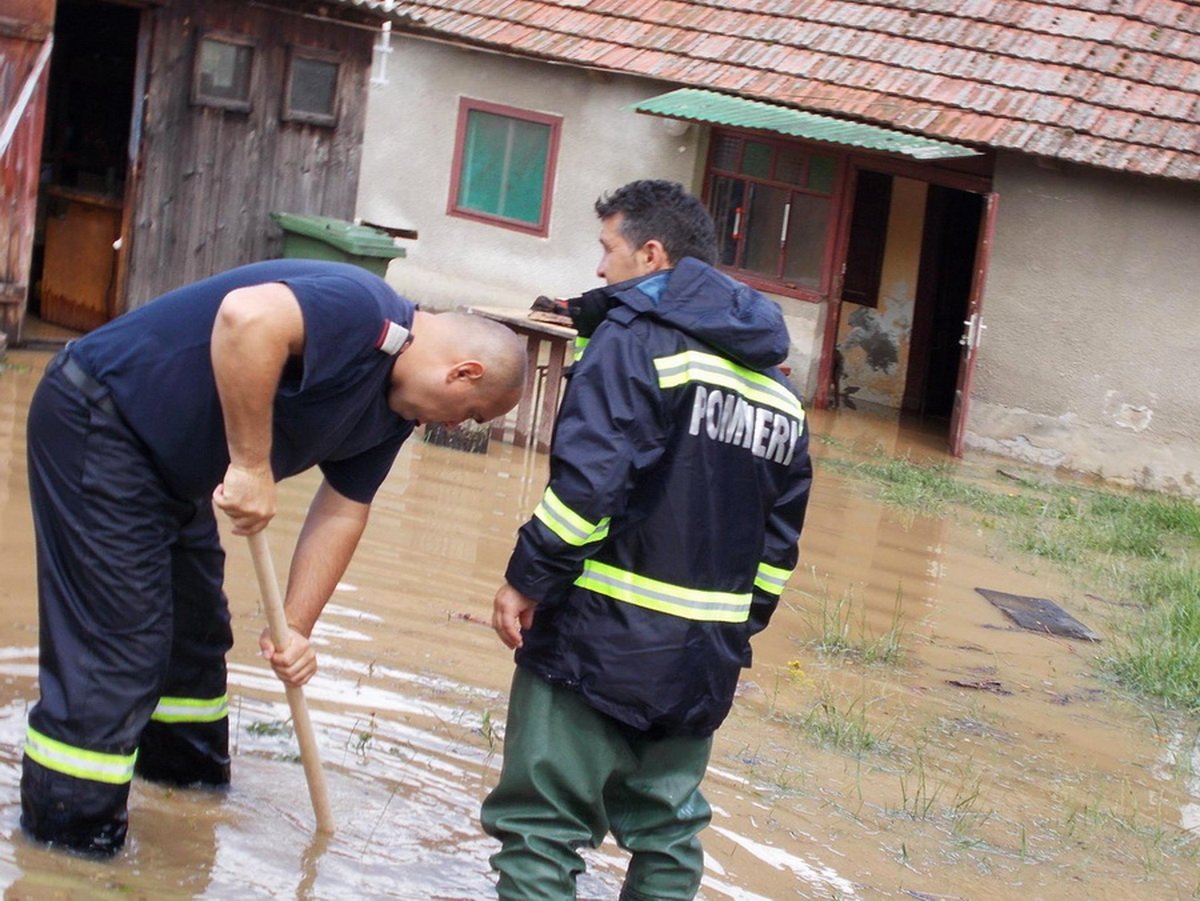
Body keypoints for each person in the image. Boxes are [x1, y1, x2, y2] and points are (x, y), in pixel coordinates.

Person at [21, 258, 526, 856]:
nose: (454, 427)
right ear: (462, 373)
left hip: (175, 475)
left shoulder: (391, 416)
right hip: (102, 421)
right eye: (469, 415)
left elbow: (343, 510)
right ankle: (69, 849)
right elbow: (248, 318)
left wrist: (296, 628)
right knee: (119, 647)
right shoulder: (366, 310)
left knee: (195, 640)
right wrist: (251, 465)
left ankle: (185, 796)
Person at [482, 179, 813, 899]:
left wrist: (528, 579)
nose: (600, 267)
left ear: (652, 254)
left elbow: (589, 488)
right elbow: (778, 549)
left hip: (594, 641)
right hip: (702, 659)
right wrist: (726, 631)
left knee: (541, 827)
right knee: (667, 833)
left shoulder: (634, 340)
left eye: (608, 248)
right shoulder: (780, 392)